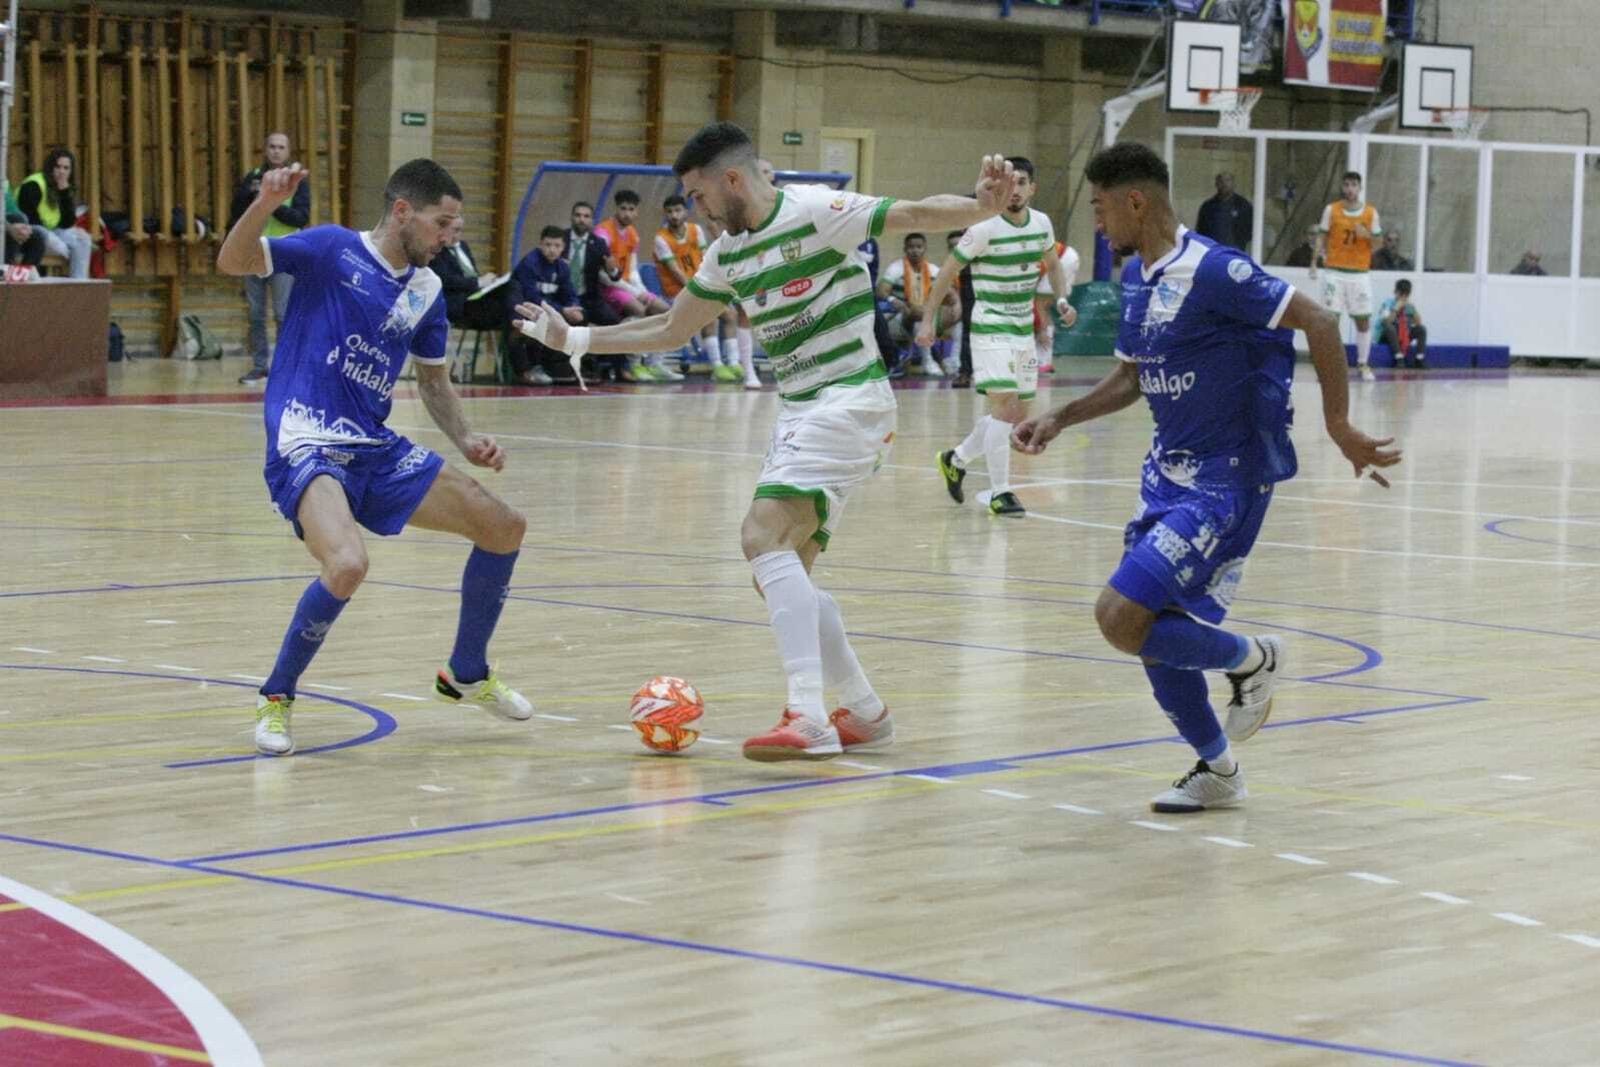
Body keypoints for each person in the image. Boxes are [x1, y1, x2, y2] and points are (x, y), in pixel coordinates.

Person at [516, 121, 1023, 762]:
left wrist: (980, 206)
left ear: (731, 181)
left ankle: (807, 716)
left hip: (850, 399)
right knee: (785, 575)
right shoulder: (727, 254)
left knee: (759, 536)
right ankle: (865, 713)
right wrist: (577, 341)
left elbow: (914, 212)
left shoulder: (815, 211)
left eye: (699, 197)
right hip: (804, 411)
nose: (695, 211)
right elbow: (672, 328)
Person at [1012, 143, 1400, 812]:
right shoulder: (1141, 279)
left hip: (1227, 481)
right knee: (1149, 630)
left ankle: (1251, 657)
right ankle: (1218, 769)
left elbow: (1322, 319)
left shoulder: (1215, 270)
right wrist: (1062, 417)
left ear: (1137, 202)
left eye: (1102, 209)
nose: (1098, 225)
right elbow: (1133, 376)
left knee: (1118, 616)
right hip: (1166, 478)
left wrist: (1338, 425)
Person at [215, 157, 532, 757]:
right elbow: (233, 261)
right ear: (403, 211)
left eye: (456, 228)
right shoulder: (332, 250)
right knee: (347, 565)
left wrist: (465, 439)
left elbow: (434, 384)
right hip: (306, 438)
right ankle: (277, 695)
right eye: (442, 225)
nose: (449, 239)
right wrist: (263, 202)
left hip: (374, 447)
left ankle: (466, 672)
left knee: (503, 527)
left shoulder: (427, 289)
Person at [925, 156, 1074, 517]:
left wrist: (1062, 300)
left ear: (1031, 188)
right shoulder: (984, 227)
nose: (1015, 190)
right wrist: (928, 319)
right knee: (1004, 409)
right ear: (1000, 187)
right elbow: (947, 271)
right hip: (990, 325)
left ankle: (956, 459)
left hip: (1022, 329)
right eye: (1009, 183)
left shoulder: (1041, 224)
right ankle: (999, 492)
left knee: (1015, 414)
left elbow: (1052, 265)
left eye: (1022, 182)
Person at [229, 133, 311, 385]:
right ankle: (259, 365)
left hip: (284, 253)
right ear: (265, 150)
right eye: (272, 147)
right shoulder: (254, 177)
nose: (276, 151)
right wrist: (253, 197)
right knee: (255, 313)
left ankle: (284, 366)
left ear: (288, 152)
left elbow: (300, 217)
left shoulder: (296, 181)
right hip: (255, 251)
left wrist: (272, 204)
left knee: (283, 312)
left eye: (281, 147)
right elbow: (236, 211)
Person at [595, 189, 682, 382]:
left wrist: (640, 290)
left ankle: (655, 363)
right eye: (623, 208)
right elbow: (602, 275)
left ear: (637, 212)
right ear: (616, 209)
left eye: (631, 209)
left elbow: (632, 270)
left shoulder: (633, 234)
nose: (627, 213)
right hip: (608, 287)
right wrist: (635, 293)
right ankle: (634, 364)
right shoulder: (603, 233)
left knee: (665, 311)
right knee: (639, 310)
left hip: (626, 286)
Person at [655, 194, 740, 382]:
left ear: (685, 211)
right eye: (670, 212)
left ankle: (734, 362)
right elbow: (675, 271)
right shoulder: (660, 239)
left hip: (701, 284)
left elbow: (705, 259)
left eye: (678, 210)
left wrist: (709, 285)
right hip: (677, 291)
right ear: (665, 214)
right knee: (709, 315)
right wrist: (699, 290)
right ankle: (717, 366)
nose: (674, 215)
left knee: (731, 314)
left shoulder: (696, 230)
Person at [1313, 170, 1382, 381]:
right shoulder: (1331, 210)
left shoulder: (1371, 213)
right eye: (1347, 185)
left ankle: (1363, 364)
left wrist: (1367, 236)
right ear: (1342, 187)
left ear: (1360, 188)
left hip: (1359, 274)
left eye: (1354, 185)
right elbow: (1321, 236)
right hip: (1334, 272)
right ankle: (1328, 365)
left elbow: (1378, 244)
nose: (1350, 189)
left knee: (1363, 321)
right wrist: (1314, 261)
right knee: (1329, 321)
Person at [564, 201, 632, 383]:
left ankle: (621, 368)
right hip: (565, 298)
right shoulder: (561, 240)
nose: (581, 219)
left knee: (615, 323)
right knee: (579, 323)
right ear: (571, 217)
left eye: (586, 216)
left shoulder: (598, 243)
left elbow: (615, 276)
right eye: (578, 215)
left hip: (590, 298)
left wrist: (613, 269)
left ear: (591, 221)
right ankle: (577, 369)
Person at [506, 225, 581, 385]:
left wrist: (574, 307)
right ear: (540, 244)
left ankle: (562, 368)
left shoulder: (562, 267)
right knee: (525, 327)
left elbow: (570, 293)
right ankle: (524, 371)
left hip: (547, 309)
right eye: (548, 245)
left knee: (580, 318)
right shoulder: (529, 263)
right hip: (523, 309)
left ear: (563, 248)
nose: (552, 250)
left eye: (557, 246)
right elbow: (531, 295)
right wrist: (562, 310)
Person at [878, 232, 961, 377]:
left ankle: (955, 362)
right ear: (905, 249)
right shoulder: (895, 268)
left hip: (926, 317)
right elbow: (881, 291)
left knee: (961, 321)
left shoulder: (934, 270)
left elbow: (951, 295)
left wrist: (952, 303)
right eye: (911, 247)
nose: (915, 250)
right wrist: (894, 300)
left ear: (924, 249)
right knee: (919, 315)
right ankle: (927, 360)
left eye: (919, 247)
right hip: (899, 317)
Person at [16, 148, 93, 279]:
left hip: (53, 232)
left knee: (83, 239)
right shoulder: (34, 184)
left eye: (66, 168)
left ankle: (78, 284)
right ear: (50, 167)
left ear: (71, 171)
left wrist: (64, 194)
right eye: (57, 167)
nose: (61, 171)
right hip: (29, 232)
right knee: (50, 237)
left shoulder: (64, 186)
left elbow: (67, 222)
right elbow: (29, 219)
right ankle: (66, 250)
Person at [945, 230, 975, 388]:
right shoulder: (951, 268)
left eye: (959, 245)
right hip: (962, 310)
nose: (956, 249)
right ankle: (965, 371)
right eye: (952, 247)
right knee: (967, 330)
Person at [1194, 172, 1253, 251]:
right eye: (1221, 181)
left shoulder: (1243, 205)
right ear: (1216, 184)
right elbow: (1200, 230)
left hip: (1235, 251)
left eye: (1228, 180)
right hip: (1213, 250)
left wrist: (1241, 243)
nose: (1224, 184)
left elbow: (1250, 229)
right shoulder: (1208, 206)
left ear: (1233, 183)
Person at [1376, 278, 1427, 369]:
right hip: (1387, 336)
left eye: (1406, 295)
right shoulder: (1387, 303)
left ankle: (1419, 359)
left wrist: (1413, 310)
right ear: (1395, 292)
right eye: (1401, 294)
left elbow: (1419, 323)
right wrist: (1396, 308)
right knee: (1389, 327)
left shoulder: (1409, 306)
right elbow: (1386, 322)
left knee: (1421, 329)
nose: (1403, 297)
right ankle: (1399, 358)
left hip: (1404, 336)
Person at [4, 180, 46, 268]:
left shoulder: (2, 179)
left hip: (6, 224)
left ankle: (23, 275)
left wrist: (24, 227)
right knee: (16, 220)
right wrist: (9, 227)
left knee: (37, 236)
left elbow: (13, 210)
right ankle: (5, 272)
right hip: (5, 227)